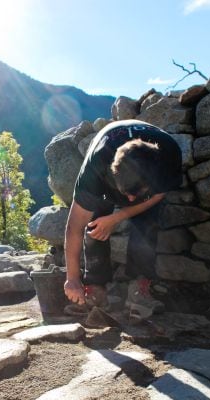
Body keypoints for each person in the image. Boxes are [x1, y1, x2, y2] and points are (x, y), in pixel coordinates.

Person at [63, 119, 182, 322]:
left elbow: (158, 195)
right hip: (105, 176)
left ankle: (140, 289)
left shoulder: (168, 155)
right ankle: (95, 289)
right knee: (95, 224)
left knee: (147, 223)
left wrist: (119, 216)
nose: (130, 200)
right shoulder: (96, 168)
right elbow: (75, 226)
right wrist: (72, 278)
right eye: (126, 193)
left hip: (146, 176)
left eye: (137, 193)